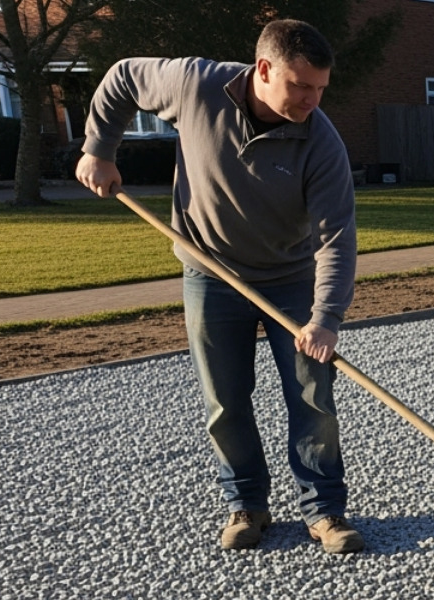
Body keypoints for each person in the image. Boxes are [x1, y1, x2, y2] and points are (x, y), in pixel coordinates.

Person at [75, 19, 364, 554]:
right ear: (263, 69)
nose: (311, 100)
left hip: (290, 279)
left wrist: (325, 317)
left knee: (313, 399)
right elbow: (120, 79)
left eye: (321, 88)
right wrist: (100, 148)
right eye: (300, 87)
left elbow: (336, 239)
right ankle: (247, 505)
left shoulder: (320, 140)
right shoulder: (194, 85)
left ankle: (324, 512)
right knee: (225, 401)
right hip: (210, 274)